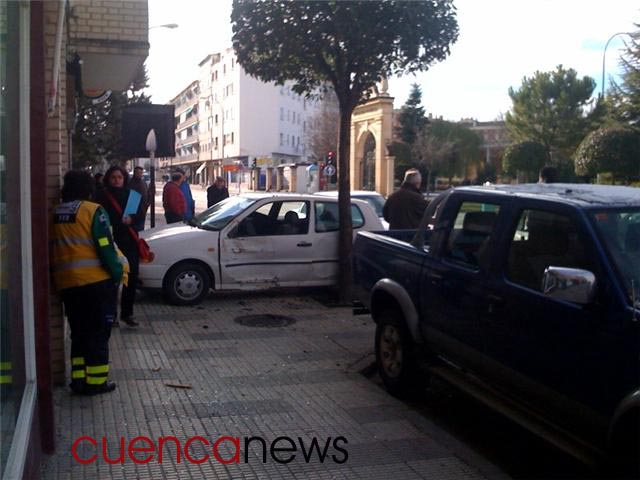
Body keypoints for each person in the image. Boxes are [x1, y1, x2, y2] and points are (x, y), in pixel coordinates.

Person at [50, 170, 123, 395]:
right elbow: (105, 246)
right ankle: (97, 381)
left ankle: (78, 379)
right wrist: (118, 272)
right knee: (99, 333)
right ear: (88, 188)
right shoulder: (93, 211)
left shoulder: (56, 212)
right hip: (95, 282)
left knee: (78, 332)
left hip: (67, 283)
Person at [95, 165, 143, 327]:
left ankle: (127, 314)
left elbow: (139, 216)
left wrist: (132, 220)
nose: (116, 180)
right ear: (108, 178)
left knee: (131, 276)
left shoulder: (133, 196)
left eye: (120, 177)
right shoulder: (101, 196)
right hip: (110, 242)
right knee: (112, 278)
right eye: (113, 177)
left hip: (129, 241)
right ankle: (111, 315)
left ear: (124, 179)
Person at [129, 166, 151, 231]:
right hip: (133, 212)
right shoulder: (130, 183)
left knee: (141, 230)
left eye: (141, 173)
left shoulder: (143, 183)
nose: (139, 174)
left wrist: (148, 203)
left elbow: (148, 193)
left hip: (142, 211)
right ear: (134, 173)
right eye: (138, 172)